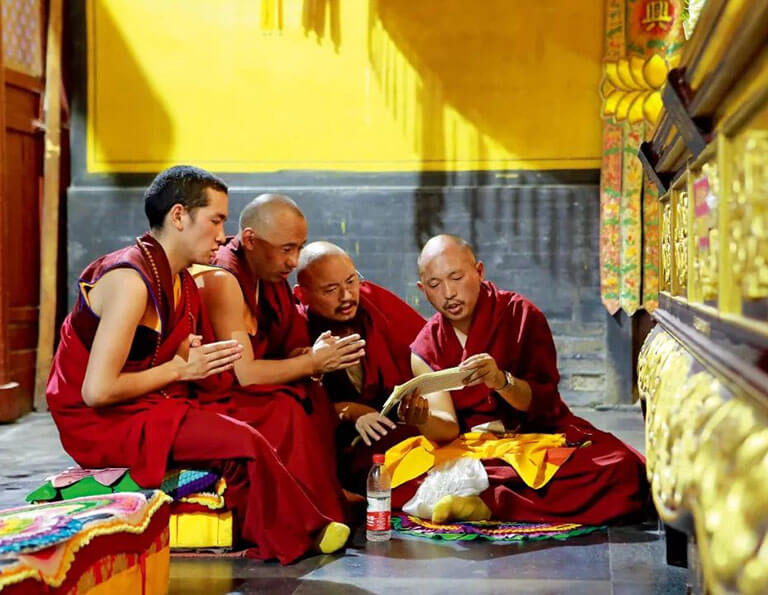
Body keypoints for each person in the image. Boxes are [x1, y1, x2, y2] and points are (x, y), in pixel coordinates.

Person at [46, 166, 349, 564]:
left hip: (148, 402)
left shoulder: (178, 280)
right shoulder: (131, 281)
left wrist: (188, 364)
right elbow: (96, 391)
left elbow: (162, 359)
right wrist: (179, 369)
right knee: (242, 441)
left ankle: (292, 519)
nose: (223, 235)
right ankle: (299, 530)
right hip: (100, 421)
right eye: (216, 220)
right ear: (178, 216)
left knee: (260, 417)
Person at [394, 233, 648, 525]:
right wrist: (422, 420)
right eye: (435, 284)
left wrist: (501, 381)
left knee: (619, 468)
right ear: (422, 289)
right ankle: (481, 496)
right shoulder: (426, 348)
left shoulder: (521, 315)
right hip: (471, 446)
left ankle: (486, 501)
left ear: (479, 272)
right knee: (394, 474)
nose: (449, 293)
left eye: (456, 277)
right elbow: (447, 429)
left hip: (532, 437)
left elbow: (543, 403)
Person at [195, 195, 363, 521]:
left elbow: (282, 347)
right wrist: (312, 362)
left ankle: (324, 491)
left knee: (309, 392)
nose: (294, 261)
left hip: (251, 386)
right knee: (286, 406)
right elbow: (243, 373)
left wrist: (308, 355)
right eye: (287, 249)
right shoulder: (223, 278)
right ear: (250, 240)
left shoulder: (270, 280)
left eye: (300, 247)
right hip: (216, 394)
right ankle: (303, 512)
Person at [294, 241, 431, 493]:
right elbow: (296, 407)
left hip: (393, 426)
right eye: (331, 290)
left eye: (351, 281)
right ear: (302, 294)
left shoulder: (375, 305)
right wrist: (352, 412)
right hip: (340, 447)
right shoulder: (296, 331)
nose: (346, 296)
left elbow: (428, 351)